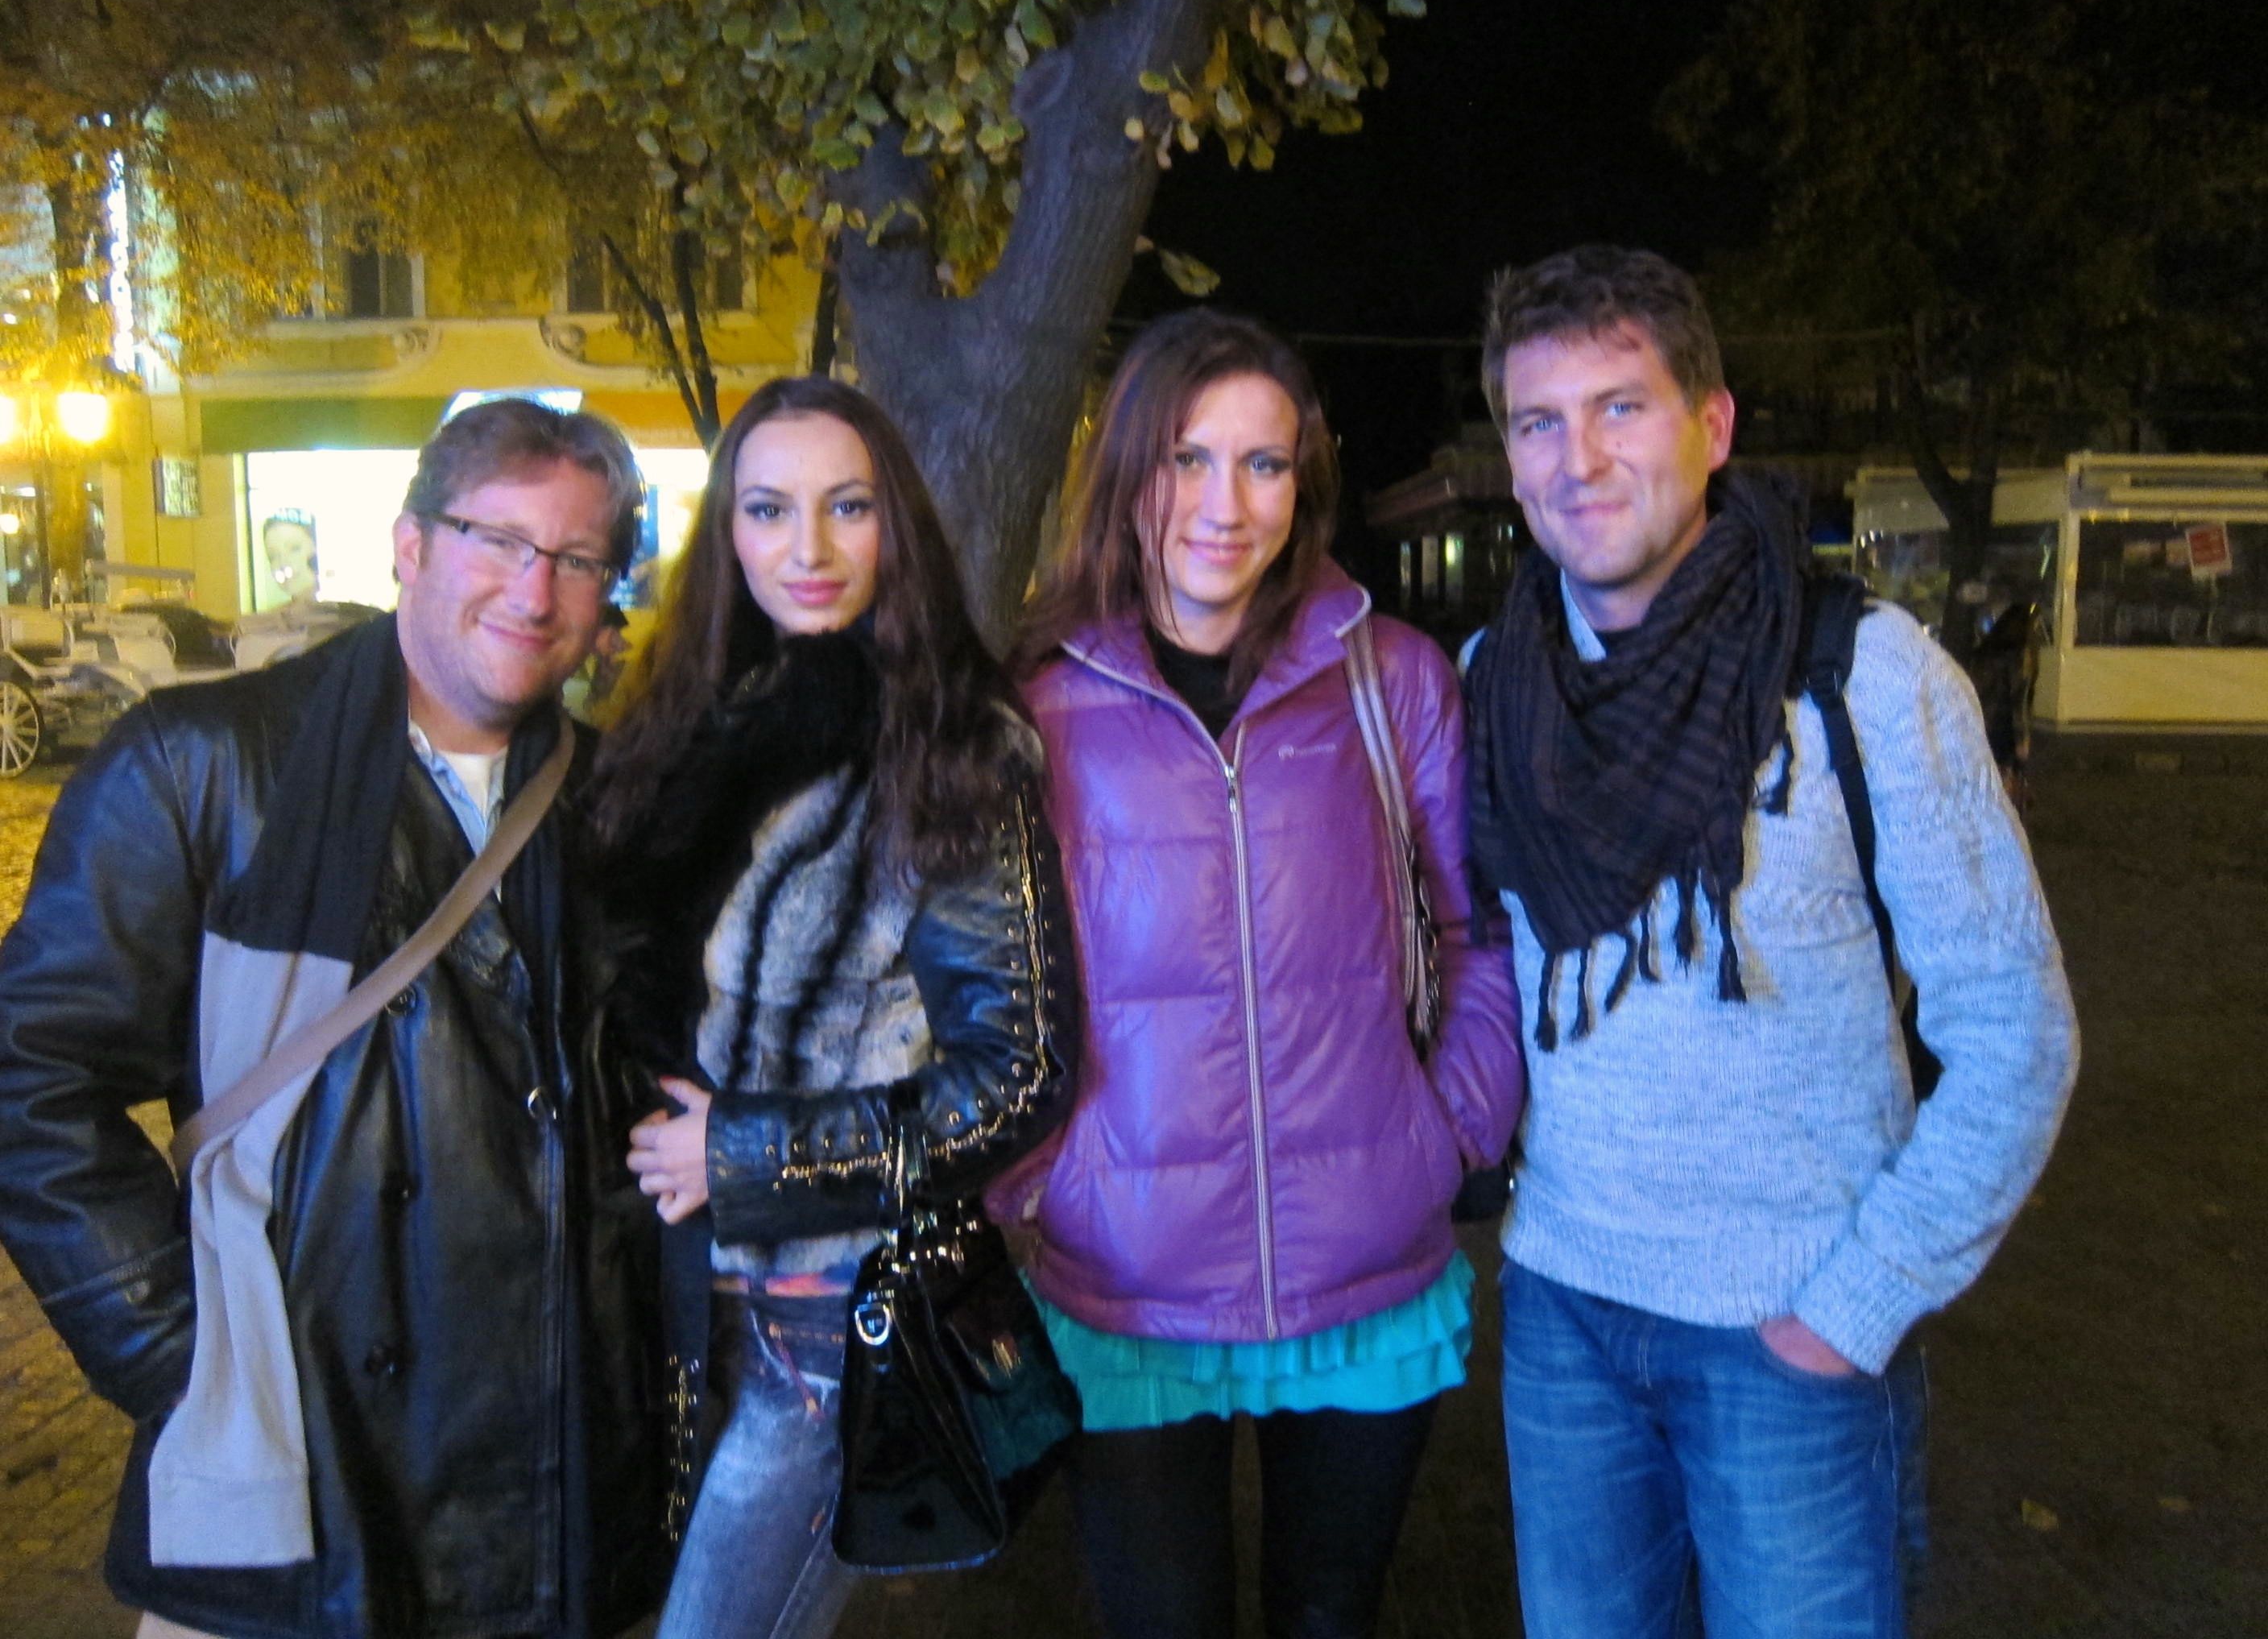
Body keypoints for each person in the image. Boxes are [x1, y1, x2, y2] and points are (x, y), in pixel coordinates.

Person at [1463, 246, 2080, 1637]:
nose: (1579, 459)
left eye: (1621, 407)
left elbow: (2015, 1029)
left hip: (1791, 1328)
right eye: (1539, 421)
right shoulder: (1495, 684)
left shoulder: (1860, 675)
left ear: (1714, 424)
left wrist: (1856, 1307)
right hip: (1563, 1314)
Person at [0, 397, 672, 1638]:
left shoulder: (615, 805)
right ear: (410, 546)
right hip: (289, 1485)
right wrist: (187, 1360)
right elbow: (29, 1077)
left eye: (578, 559)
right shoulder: (202, 764)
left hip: (543, 1497)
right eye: (498, 540)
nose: (535, 591)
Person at [998, 309, 1525, 1639]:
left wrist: (1448, 1132)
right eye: (1187, 458)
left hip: (1364, 1266)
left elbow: (1480, 932)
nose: (1224, 506)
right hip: (1123, 1278)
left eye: (1264, 464)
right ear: (1128, 471)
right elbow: (982, 982)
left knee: (1329, 1620)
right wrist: (1039, 1179)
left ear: (1306, 484)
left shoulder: (1392, 680)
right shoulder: (1035, 704)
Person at [586, 376, 1080, 1639]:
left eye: (847, 506)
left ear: (895, 526)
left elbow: (1019, 1074)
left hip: (823, 1320)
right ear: (727, 532)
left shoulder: (953, 745)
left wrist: (743, 1155)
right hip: (679, 1303)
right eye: (768, 509)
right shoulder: (692, 719)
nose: (806, 547)